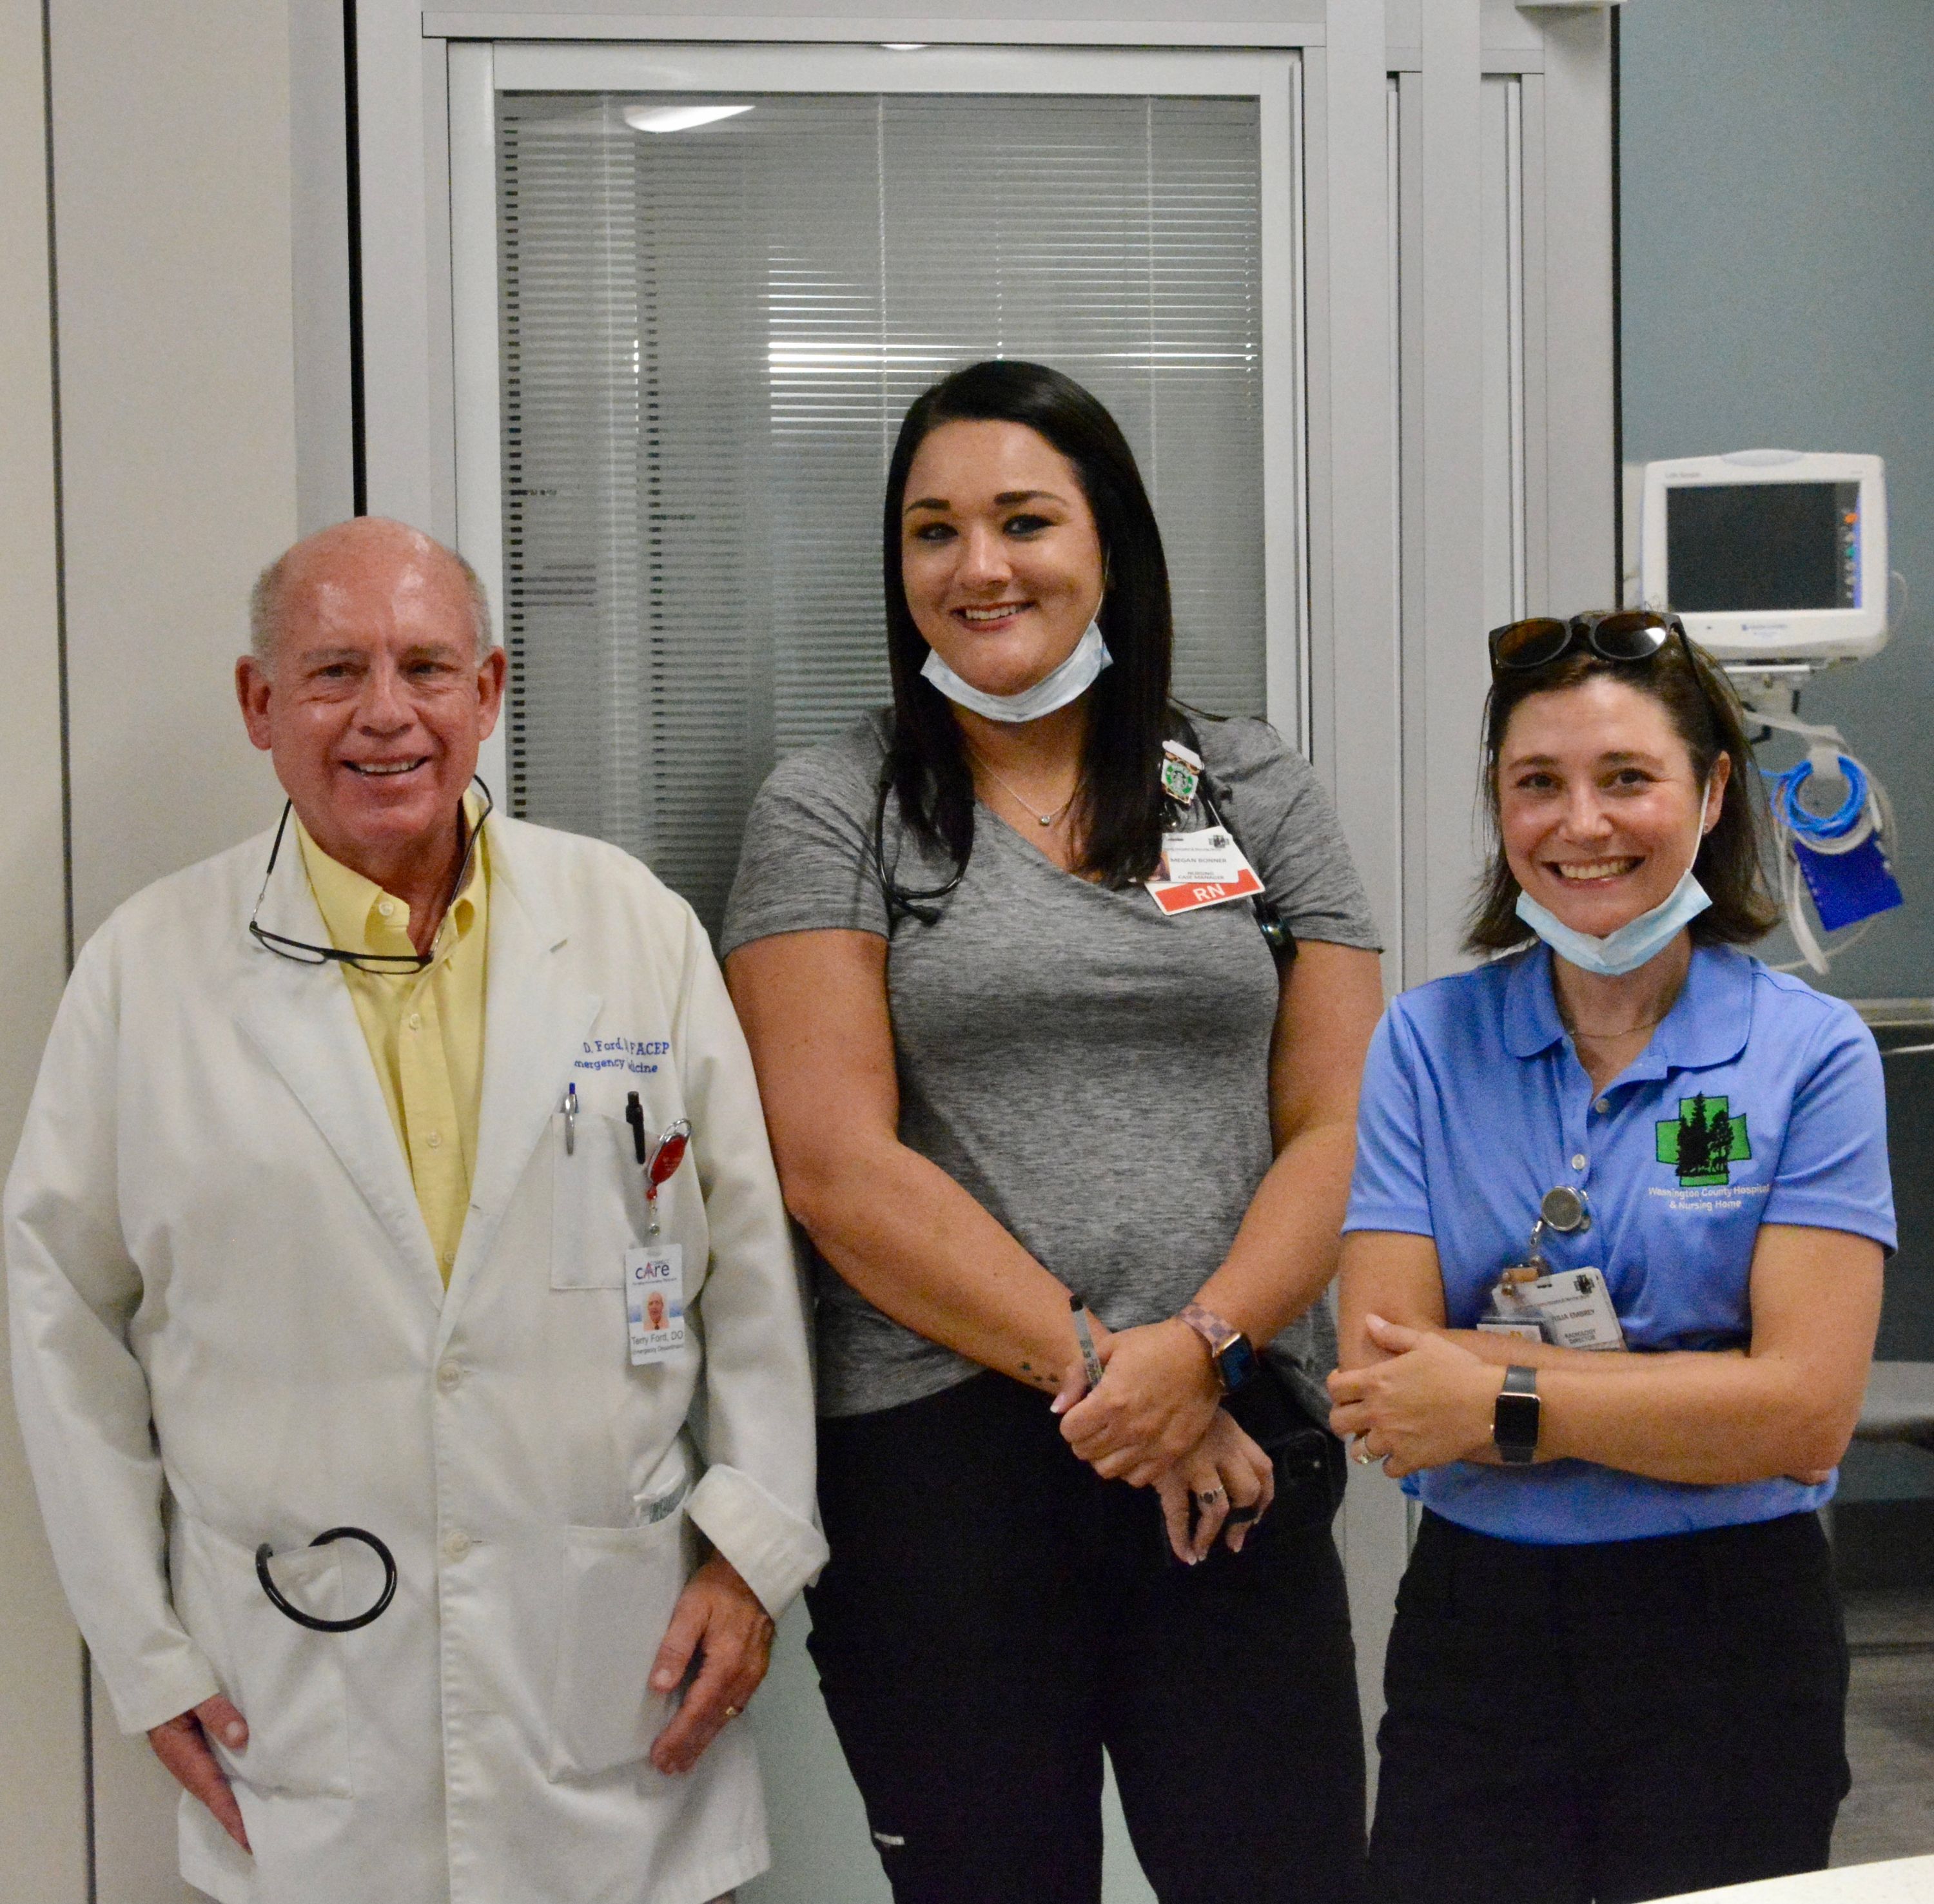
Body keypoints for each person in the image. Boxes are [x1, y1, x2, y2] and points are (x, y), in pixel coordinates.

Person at [6, 518, 826, 1904]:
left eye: (426, 667)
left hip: (615, 1700)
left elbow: (746, 1270)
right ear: (259, 705)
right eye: (333, 672)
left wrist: (751, 1556)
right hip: (299, 1707)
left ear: (490, 690)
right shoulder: (146, 973)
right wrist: (144, 1657)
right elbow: (61, 1330)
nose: (386, 714)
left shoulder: (629, 928)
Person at [723, 360, 1385, 1904]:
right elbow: (834, 1167)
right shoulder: (837, 807)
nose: (980, 567)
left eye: (1025, 519)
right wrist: (1118, 1375)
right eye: (933, 531)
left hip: (1235, 1443)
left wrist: (1205, 1347)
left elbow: (1345, 1125)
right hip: (947, 1469)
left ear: (1111, 547)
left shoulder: (1248, 784)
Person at [1327, 609, 1895, 1904]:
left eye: (1627, 778)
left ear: (1709, 794)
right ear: (1501, 807)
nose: (1581, 823)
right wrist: (1699, 1394)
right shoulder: (1428, 1042)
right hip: (1481, 1626)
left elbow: (1806, 1408)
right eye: (1539, 783)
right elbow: (1387, 1387)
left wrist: (1502, 1392)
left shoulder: (1810, 1056)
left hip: (1732, 1629)